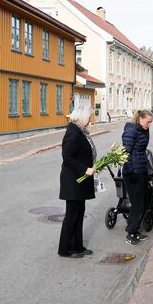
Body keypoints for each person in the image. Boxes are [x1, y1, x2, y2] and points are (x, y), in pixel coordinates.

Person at [58, 103, 96, 258]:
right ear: (82, 117)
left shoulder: (80, 130)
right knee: (72, 215)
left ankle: (78, 246)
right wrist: (85, 169)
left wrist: (92, 166)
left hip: (80, 180)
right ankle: (65, 249)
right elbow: (67, 157)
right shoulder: (73, 132)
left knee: (79, 213)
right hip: (73, 180)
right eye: (89, 117)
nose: (89, 120)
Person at [122, 110, 153, 245]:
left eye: (151, 122)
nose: (149, 124)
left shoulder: (143, 129)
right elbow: (125, 151)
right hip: (133, 171)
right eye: (148, 121)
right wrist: (130, 168)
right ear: (140, 119)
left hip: (141, 169)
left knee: (145, 198)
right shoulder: (131, 131)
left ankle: (133, 229)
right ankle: (131, 233)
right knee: (137, 203)